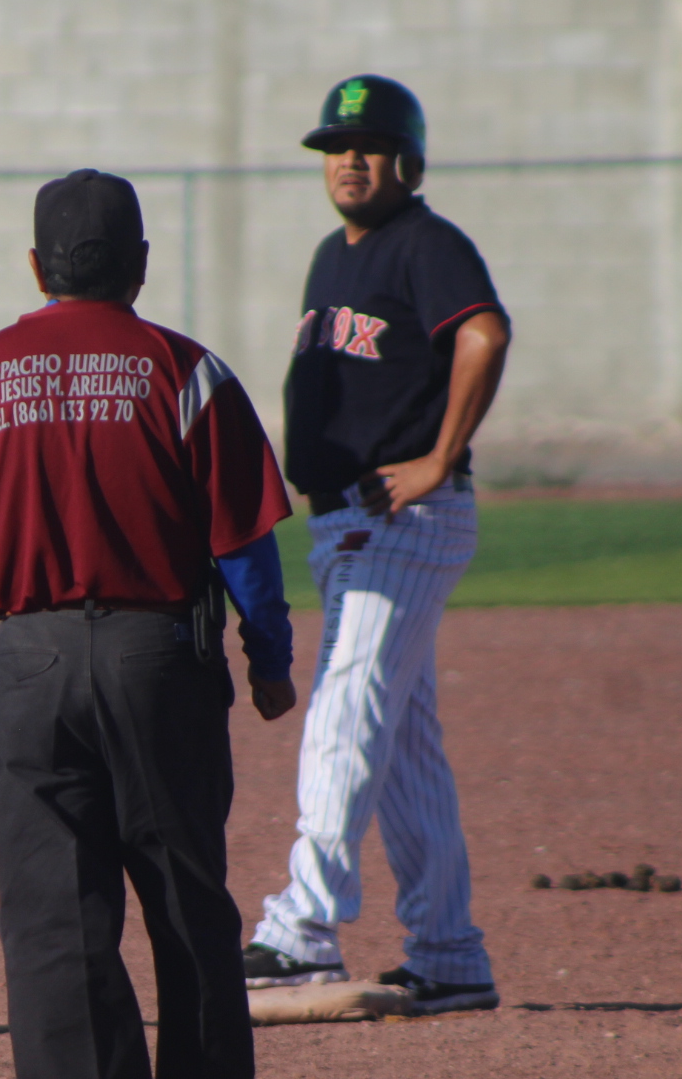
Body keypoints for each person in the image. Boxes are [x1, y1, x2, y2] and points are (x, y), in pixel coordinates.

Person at [0, 169, 298, 1079]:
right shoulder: (185, 369)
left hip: (29, 663)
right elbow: (245, 550)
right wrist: (266, 660)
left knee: (53, 920)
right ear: (142, 265)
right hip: (156, 657)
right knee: (186, 899)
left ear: (38, 267)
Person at [242, 75, 510, 1014]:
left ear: (408, 160)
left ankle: (303, 926)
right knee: (402, 745)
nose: (348, 160)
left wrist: (441, 456)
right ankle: (449, 953)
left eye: (368, 145)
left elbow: (483, 332)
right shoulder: (334, 254)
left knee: (347, 706)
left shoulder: (425, 245)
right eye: (336, 146)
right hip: (346, 518)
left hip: (399, 513)